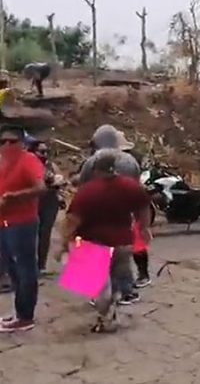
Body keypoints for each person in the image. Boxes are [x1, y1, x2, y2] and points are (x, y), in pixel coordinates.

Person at [56, 153, 152, 333]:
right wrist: (144, 228)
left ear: (95, 170)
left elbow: (73, 219)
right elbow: (144, 206)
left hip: (94, 243)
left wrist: (64, 242)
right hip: (123, 242)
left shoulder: (87, 191)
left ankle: (106, 319)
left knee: (99, 286)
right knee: (116, 279)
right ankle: (113, 310)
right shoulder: (130, 186)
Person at [78, 125, 142, 304]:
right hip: (123, 213)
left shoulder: (92, 162)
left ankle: (101, 293)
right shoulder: (130, 161)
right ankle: (126, 290)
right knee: (122, 254)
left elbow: (83, 189)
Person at [0, 124, 46, 333]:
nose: (7, 145)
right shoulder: (2, 162)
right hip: (4, 223)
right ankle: (19, 312)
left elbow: (40, 188)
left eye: (12, 141)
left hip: (22, 223)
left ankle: (26, 316)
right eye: (3, 142)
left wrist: (14, 197)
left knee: (25, 268)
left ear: (22, 143)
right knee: (12, 269)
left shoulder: (28, 160)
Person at [28, 140, 66, 276]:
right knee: (31, 233)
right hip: (32, 201)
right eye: (41, 151)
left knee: (45, 233)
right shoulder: (28, 165)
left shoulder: (51, 165)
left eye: (46, 152)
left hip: (49, 202)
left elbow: (62, 181)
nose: (44, 155)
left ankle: (41, 265)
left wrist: (59, 187)